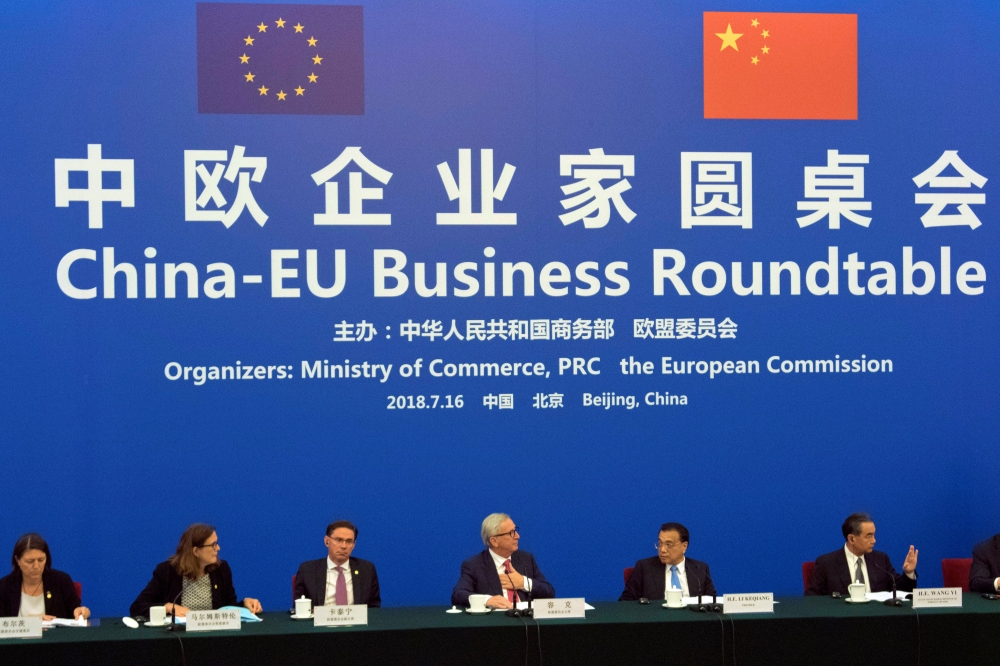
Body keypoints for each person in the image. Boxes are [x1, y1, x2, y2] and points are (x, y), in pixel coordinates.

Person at [129, 523, 262, 617]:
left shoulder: (221, 569)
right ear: (196, 551)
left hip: (214, 636)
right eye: (213, 545)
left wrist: (244, 604)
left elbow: (228, 608)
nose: (218, 548)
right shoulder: (167, 571)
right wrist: (168, 607)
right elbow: (137, 607)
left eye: (217, 543)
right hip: (179, 638)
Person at [451, 513, 555, 609]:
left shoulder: (526, 559)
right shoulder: (474, 565)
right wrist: (487, 600)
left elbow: (549, 592)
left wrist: (523, 582)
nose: (517, 536)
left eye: (515, 530)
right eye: (511, 533)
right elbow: (458, 595)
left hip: (526, 619)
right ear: (494, 541)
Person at [806, 512, 918, 596]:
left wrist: (909, 573)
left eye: (874, 535)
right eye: (869, 536)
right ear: (852, 539)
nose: (874, 540)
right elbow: (812, 599)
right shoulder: (826, 563)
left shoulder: (880, 559)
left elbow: (902, 591)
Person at [0, 533, 90, 620]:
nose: (36, 566)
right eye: (30, 561)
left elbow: (75, 613)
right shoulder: (4, 586)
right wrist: (30, 622)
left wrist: (81, 612)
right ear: (17, 560)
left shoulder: (62, 581)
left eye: (41, 560)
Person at [293, 520, 381, 608]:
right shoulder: (308, 570)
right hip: (320, 617)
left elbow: (374, 608)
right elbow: (299, 607)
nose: (344, 546)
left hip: (356, 617)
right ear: (327, 541)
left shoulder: (367, 570)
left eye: (349, 541)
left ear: (353, 545)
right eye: (339, 540)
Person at [619, 522, 716, 601]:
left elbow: (713, 601)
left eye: (669, 544)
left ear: (684, 546)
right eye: (660, 543)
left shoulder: (700, 569)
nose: (662, 549)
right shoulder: (644, 568)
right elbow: (626, 601)